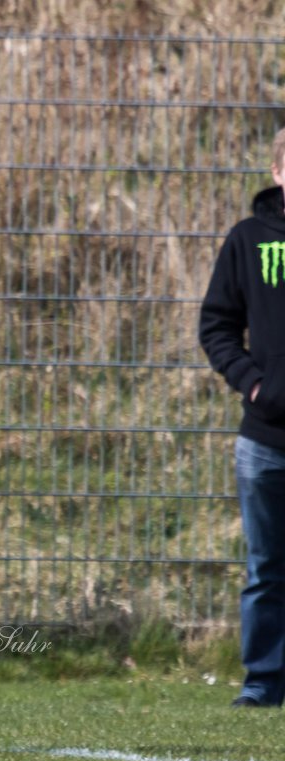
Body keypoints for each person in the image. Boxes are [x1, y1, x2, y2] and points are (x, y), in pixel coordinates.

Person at [199, 126, 285, 709]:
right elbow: (216, 326)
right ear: (279, 173)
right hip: (266, 440)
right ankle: (263, 682)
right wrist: (254, 385)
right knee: (266, 569)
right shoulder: (249, 239)